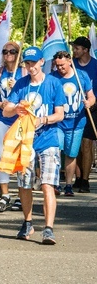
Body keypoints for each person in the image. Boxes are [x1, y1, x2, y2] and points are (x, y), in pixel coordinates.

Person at [2, 46, 66, 245]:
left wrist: (43, 120)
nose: (31, 67)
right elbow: (6, 111)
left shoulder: (54, 83)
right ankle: (28, 222)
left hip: (49, 139)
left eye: (34, 63)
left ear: (41, 62)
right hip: (25, 141)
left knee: (47, 183)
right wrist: (15, 108)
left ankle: (48, 228)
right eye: (27, 64)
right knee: (24, 183)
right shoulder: (21, 84)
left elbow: (60, 114)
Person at [0, 41, 26, 212]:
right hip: (1, 117)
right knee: (2, 154)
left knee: (19, 155)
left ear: (18, 54)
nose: (8, 54)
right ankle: (5, 194)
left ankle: (20, 195)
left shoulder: (24, 71)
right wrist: (2, 105)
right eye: (5, 51)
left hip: (19, 118)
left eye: (12, 51)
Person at [51, 51, 94, 197]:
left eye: (62, 65)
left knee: (71, 154)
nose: (60, 68)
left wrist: (89, 103)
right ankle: (55, 183)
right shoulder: (52, 78)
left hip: (77, 122)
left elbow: (91, 96)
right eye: (57, 66)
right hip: (57, 123)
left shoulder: (81, 76)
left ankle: (68, 185)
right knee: (56, 151)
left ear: (70, 61)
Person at [72, 36, 97, 192]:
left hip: (93, 109)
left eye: (77, 48)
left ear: (85, 50)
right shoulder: (72, 66)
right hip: (75, 110)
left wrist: (93, 104)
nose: (74, 51)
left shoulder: (95, 65)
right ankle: (79, 176)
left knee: (87, 143)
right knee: (77, 145)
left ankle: (85, 180)